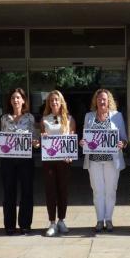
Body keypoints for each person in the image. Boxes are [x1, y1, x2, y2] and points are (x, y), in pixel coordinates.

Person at [80, 89, 128, 234]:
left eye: (104, 99)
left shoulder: (117, 116)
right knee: (97, 191)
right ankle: (100, 220)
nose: (101, 101)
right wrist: (82, 142)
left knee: (111, 191)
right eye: (99, 99)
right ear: (96, 101)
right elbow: (85, 137)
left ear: (109, 101)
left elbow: (124, 138)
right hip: (94, 161)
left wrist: (122, 143)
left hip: (112, 161)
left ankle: (109, 219)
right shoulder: (89, 116)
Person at [0, 88, 39, 235]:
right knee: (9, 192)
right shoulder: (4, 118)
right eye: (13, 98)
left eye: (18, 97)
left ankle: (25, 225)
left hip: (26, 160)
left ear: (23, 100)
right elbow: (3, 138)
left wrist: (36, 143)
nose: (16, 100)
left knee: (27, 192)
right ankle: (10, 225)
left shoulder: (30, 118)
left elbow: (35, 138)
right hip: (8, 160)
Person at [41, 90, 76, 237]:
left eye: (56, 99)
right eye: (51, 100)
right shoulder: (45, 119)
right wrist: (42, 137)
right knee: (50, 191)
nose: (54, 102)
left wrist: (70, 154)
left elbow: (72, 138)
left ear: (61, 102)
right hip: (49, 161)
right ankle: (52, 222)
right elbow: (42, 139)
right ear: (48, 103)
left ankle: (61, 220)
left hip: (64, 161)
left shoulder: (69, 119)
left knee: (63, 190)